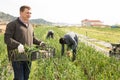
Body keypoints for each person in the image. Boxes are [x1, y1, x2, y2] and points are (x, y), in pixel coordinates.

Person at [4, 5, 45, 80]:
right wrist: (18, 45)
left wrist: (40, 43)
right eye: (27, 13)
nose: (29, 14)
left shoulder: (30, 25)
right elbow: (7, 39)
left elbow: (32, 38)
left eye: (30, 13)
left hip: (29, 56)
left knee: (26, 77)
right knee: (20, 78)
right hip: (17, 56)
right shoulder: (12, 24)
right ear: (20, 12)